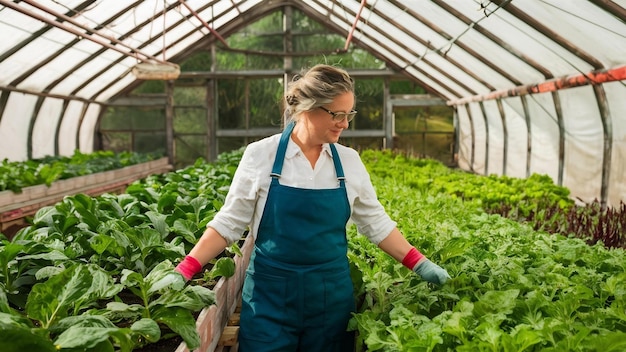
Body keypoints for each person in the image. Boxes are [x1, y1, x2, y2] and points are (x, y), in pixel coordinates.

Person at [175, 64, 450, 352]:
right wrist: (187, 267)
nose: (345, 123)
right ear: (307, 108)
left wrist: (420, 264)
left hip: (329, 298)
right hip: (270, 297)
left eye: (349, 114)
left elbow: (376, 224)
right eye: (337, 114)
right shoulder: (261, 156)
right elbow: (229, 223)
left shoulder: (349, 162)